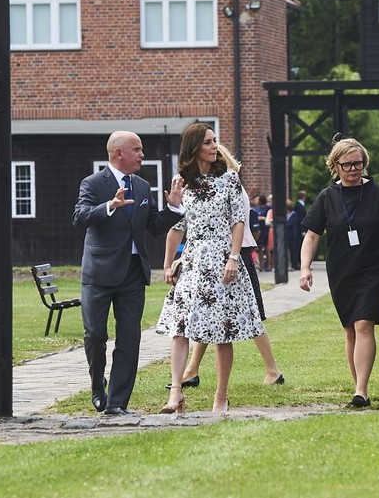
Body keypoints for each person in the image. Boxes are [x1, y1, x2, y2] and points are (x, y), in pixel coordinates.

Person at [73, 131, 185, 416]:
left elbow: (155, 226)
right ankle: (98, 385)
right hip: (99, 274)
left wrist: (173, 207)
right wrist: (110, 205)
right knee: (95, 335)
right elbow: (80, 217)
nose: (142, 155)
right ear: (118, 153)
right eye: (137, 150)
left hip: (133, 275)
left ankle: (117, 403)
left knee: (129, 339)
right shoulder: (93, 183)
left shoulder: (143, 186)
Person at [155, 123, 264, 414]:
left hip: (221, 257)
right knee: (179, 328)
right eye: (208, 142)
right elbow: (176, 226)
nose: (214, 146)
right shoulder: (181, 182)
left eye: (214, 141)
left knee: (221, 331)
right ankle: (176, 392)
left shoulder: (229, 179)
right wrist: (167, 263)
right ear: (194, 148)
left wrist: (233, 257)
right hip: (191, 261)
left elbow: (238, 221)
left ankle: (221, 395)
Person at [170, 142, 284, 393]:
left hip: (236, 253)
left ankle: (272, 369)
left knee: (249, 314)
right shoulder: (196, 184)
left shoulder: (231, 185)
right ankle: (191, 370)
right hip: (211, 256)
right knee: (209, 313)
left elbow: (237, 222)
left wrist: (230, 255)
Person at [299, 137, 379, 408]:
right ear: (335, 166)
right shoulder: (327, 197)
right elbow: (311, 236)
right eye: (347, 165)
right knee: (350, 330)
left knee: (364, 324)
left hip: (373, 268)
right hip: (342, 270)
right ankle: (358, 387)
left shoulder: (378, 194)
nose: (354, 169)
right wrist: (305, 268)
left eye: (358, 163)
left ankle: (361, 390)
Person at [286, 191, 308, 271]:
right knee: (295, 248)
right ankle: (296, 263)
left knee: (295, 248)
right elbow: (301, 219)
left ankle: (297, 263)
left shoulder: (295, 210)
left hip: (294, 232)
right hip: (296, 232)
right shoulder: (298, 207)